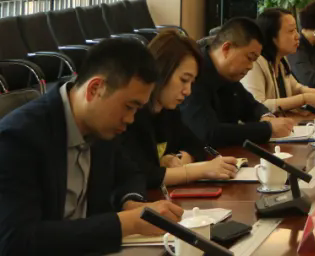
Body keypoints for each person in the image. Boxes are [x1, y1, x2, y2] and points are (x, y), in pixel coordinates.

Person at [0, 38, 184, 256]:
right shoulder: (19, 137)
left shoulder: (103, 125)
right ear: (95, 89)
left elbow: (129, 173)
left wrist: (131, 202)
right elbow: (18, 241)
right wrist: (126, 222)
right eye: (129, 107)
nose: (130, 119)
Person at [120, 30, 240, 189]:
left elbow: (196, 145)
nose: (188, 91)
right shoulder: (130, 114)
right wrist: (197, 171)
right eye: (184, 80)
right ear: (160, 70)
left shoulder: (168, 111)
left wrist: (178, 158)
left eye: (191, 83)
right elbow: (142, 175)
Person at [179, 18, 294, 146]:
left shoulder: (229, 76)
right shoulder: (194, 73)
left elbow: (251, 106)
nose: (251, 66)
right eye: (249, 58)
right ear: (226, 48)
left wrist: (266, 117)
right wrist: (267, 129)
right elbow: (209, 133)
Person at [242, 9, 315, 113]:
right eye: (291, 31)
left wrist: (311, 92)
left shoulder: (281, 59)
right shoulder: (255, 63)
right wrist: (304, 99)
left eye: (296, 30)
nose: (297, 36)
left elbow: (295, 87)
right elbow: (258, 104)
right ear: (272, 36)